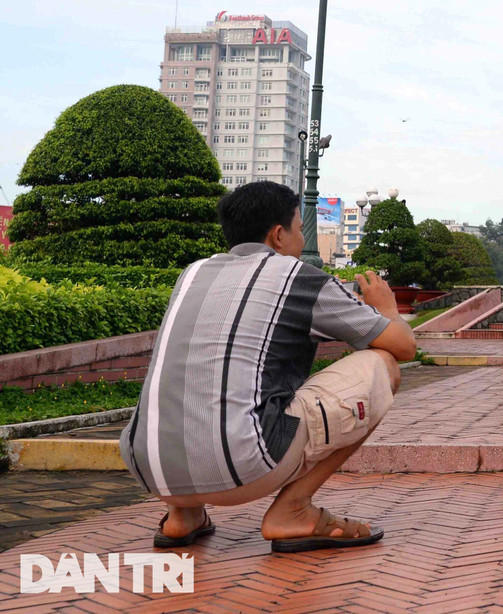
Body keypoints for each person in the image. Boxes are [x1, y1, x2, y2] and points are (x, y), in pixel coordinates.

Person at [118, 181, 417, 553]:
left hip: (149, 469)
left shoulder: (193, 274)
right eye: (299, 229)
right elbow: (404, 347)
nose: (300, 239)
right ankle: (292, 510)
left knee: (200, 372)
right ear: (279, 235)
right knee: (383, 365)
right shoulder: (299, 277)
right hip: (247, 467)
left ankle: (183, 515)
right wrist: (386, 310)